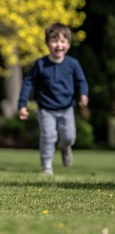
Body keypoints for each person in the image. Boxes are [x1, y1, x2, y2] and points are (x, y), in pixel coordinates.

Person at [17, 23, 89, 175]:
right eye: (54, 41)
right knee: (48, 137)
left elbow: (81, 81)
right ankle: (47, 166)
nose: (59, 45)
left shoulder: (73, 64)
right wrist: (22, 105)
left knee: (69, 137)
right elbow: (28, 83)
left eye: (63, 41)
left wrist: (83, 94)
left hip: (66, 108)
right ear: (47, 43)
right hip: (45, 109)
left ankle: (65, 147)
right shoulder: (40, 64)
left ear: (68, 44)